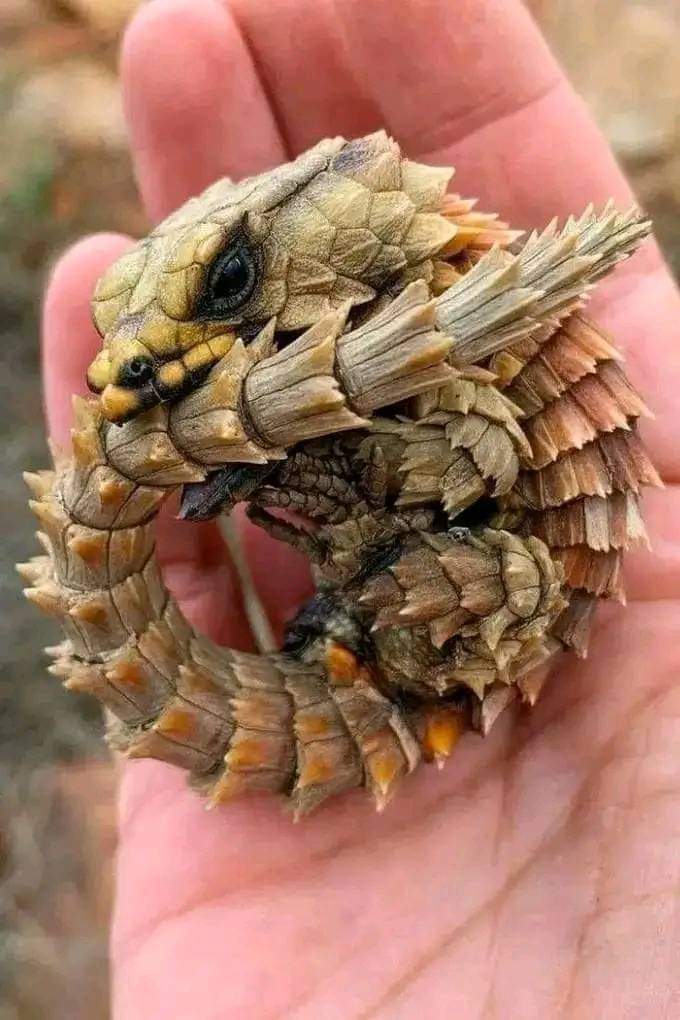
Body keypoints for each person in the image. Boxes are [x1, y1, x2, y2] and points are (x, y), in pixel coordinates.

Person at [43, 2, 680, 1016]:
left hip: (490, 592)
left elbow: (466, 459)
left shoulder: (452, 313)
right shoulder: (354, 331)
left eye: (238, 280)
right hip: (384, 613)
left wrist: (316, 465)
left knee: (463, 509)